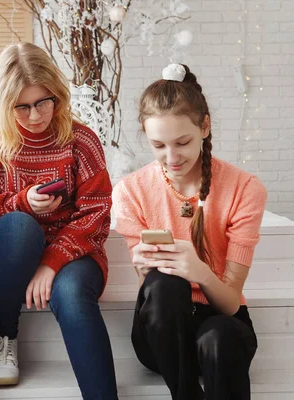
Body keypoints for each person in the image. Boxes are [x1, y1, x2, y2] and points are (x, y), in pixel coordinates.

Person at [0, 42, 118, 399]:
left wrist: (51, 263)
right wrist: (22, 202)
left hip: (73, 256)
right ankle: (3, 336)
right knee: (21, 226)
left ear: (57, 95)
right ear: (5, 104)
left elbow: (96, 213)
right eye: (23, 106)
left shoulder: (81, 141)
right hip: (8, 255)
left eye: (44, 101)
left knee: (72, 294)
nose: (36, 115)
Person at [112, 63, 266, 400]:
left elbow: (228, 306)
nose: (171, 157)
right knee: (164, 283)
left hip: (222, 325)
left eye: (182, 142)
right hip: (162, 334)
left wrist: (201, 272)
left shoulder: (244, 189)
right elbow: (154, 299)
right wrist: (143, 267)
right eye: (158, 146)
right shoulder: (131, 190)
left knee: (218, 336)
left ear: (205, 127)